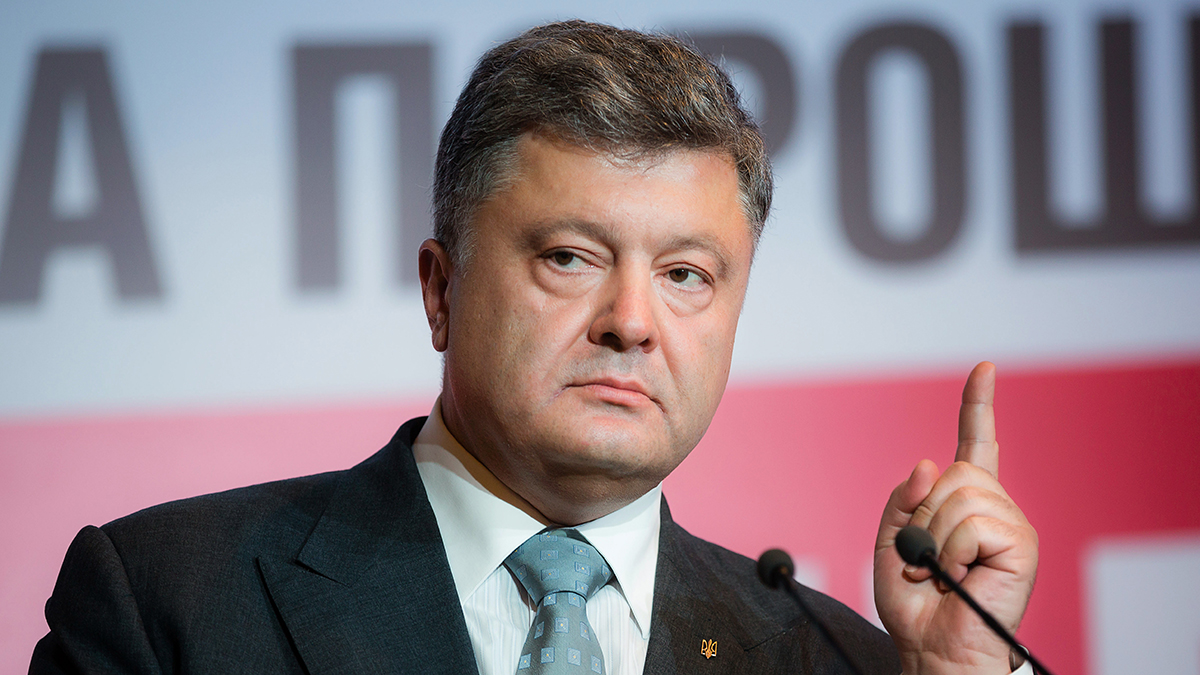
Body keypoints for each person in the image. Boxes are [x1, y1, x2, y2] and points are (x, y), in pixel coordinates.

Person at [30, 20, 1037, 675]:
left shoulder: (842, 659)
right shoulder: (171, 600)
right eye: (569, 257)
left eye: (687, 274)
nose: (632, 321)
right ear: (441, 289)